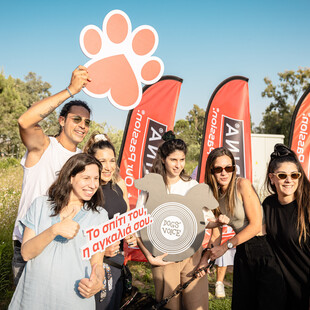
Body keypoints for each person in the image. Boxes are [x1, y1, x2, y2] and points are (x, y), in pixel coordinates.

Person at [12, 65, 91, 285]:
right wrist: (70, 90)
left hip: (64, 247)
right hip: (30, 247)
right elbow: (24, 121)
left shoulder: (83, 161)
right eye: (76, 119)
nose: (82, 126)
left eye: (86, 122)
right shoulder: (43, 146)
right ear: (62, 120)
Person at [9, 153, 109, 309]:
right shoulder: (40, 205)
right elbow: (26, 253)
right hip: (33, 298)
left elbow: (97, 263)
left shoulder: (100, 216)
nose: (92, 184)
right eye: (86, 178)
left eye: (96, 178)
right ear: (70, 177)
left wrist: (97, 282)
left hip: (74, 301)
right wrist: (54, 230)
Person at [136, 131, 224, 310]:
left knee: (197, 305)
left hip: (192, 255)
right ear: (163, 159)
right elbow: (137, 226)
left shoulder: (191, 185)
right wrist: (150, 257)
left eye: (182, 160)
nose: (178, 165)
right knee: (169, 306)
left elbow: (206, 220)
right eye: (173, 160)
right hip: (164, 257)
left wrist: (219, 222)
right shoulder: (151, 187)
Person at [202, 146, 285, 310]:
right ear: (211, 171)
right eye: (218, 169)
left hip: (264, 249)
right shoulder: (214, 196)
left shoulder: (242, 185)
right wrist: (205, 259)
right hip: (242, 251)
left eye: (229, 167)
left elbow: (255, 225)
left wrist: (225, 247)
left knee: (268, 303)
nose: (224, 173)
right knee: (242, 304)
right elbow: (215, 235)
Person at [84, 133, 137, 310]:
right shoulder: (87, 191)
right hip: (96, 267)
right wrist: (100, 249)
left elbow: (124, 219)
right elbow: (76, 233)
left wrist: (130, 233)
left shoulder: (117, 185)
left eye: (112, 160)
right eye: (102, 161)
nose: (108, 167)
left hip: (118, 264)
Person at [263, 144, 310, 310]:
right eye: (282, 175)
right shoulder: (268, 205)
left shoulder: (307, 208)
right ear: (272, 178)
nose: (289, 180)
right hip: (282, 294)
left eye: (294, 175)